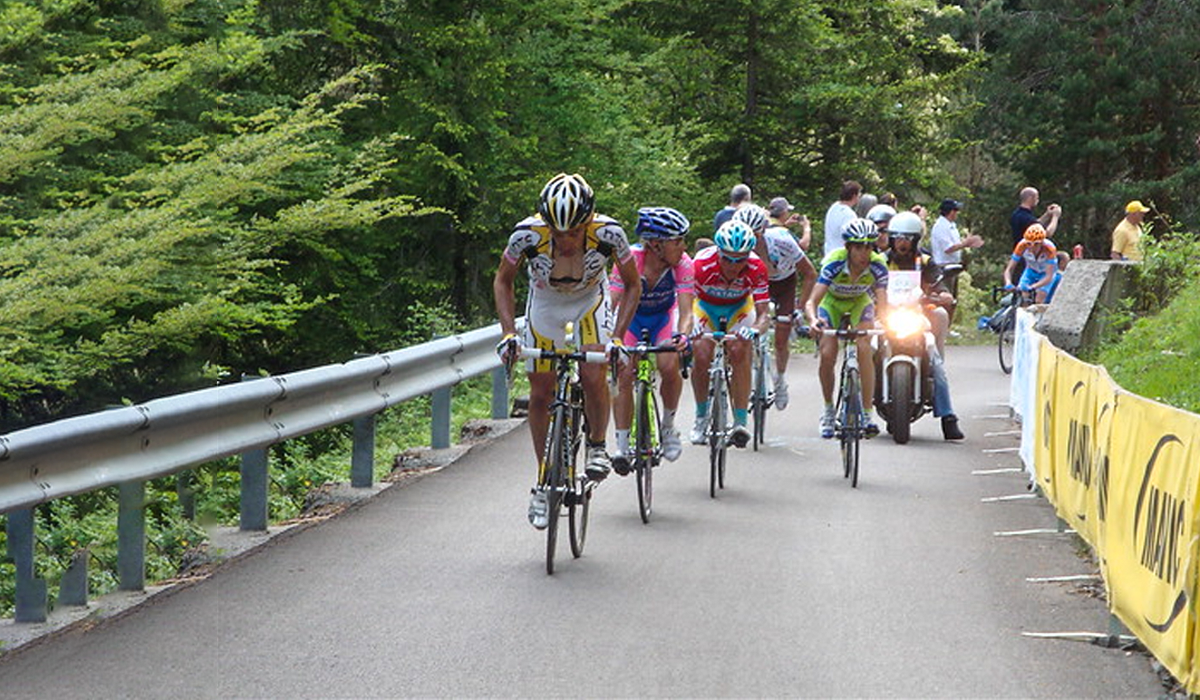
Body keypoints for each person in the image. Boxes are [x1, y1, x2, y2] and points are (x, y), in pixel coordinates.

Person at [493, 173, 641, 529]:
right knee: (540, 391)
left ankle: (597, 445)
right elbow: (502, 280)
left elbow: (633, 284)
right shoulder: (526, 235)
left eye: (574, 232)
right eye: (558, 233)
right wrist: (509, 333)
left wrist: (619, 337)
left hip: (590, 300)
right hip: (544, 302)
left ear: (589, 221)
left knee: (593, 371)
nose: (567, 240)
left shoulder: (610, 233)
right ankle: (543, 481)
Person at [609, 207, 695, 474]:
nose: (683, 246)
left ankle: (668, 427)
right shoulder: (630, 260)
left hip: (662, 320)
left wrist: (682, 335)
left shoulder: (684, 265)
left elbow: (686, 311)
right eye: (677, 241)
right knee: (623, 375)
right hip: (631, 320)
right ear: (656, 245)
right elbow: (611, 304)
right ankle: (622, 446)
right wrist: (610, 340)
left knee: (669, 366)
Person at [688, 220, 771, 449]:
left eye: (740, 259)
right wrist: (687, 327)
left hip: (739, 308)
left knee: (739, 350)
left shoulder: (757, 267)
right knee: (701, 352)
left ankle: (740, 422)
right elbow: (685, 304)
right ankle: (701, 417)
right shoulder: (700, 264)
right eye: (727, 258)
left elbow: (764, 314)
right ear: (718, 252)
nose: (733, 265)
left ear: (748, 256)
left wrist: (754, 330)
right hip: (705, 307)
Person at [882, 211, 964, 440]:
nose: (902, 243)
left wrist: (942, 295)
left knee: (933, 357)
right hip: (886, 315)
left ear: (915, 239)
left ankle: (948, 417)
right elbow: (869, 283)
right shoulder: (880, 259)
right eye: (897, 237)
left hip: (916, 315)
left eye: (907, 238)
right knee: (866, 349)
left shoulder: (925, 261)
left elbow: (940, 285)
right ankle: (858, 412)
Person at [806, 218, 889, 439]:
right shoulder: (835, 262)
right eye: (859, 247)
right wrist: (813, 321)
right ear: (848, 248)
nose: (865, 253)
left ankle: (867, 413)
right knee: (828, 353)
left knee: (864, 347)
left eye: (869, 247)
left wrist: (887, 323)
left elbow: (883, 302)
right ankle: (828, 409)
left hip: (859, 302)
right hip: (831, 303)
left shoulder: (878, 264)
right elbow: (811, 302)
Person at [732, 204, 817, 411]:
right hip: (755, 284)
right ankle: (751, 376)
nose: (750, 243)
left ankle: (779, 380)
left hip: (784, 283)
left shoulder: (783, 240)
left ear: (763, 231)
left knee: (781, 337)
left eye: (755, 237)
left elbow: (810, 274)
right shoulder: (736, 247)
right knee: (747, 330)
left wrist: (799, 306)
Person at [929, 199, 982, 300]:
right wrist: (965, 244)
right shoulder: (941, 226)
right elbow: (948, 248)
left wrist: (966, 242)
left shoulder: (951, 226)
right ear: (951, 212)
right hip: (943, 267)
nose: (957, 213)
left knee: (953, 298)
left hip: (952, 267)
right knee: (946, 297)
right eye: (956, 211)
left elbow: (955, 244)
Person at [1003, 223, 1061, 303]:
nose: (1032, 247)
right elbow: (1009, 269)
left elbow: (1049, 276)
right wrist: (1008, 283)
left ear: (1042, 243)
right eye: (1029, 243)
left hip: (1045, 274)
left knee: (1039, 299)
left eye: (1036, 244)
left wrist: (1033, 287)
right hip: (1030, 271)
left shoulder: (1050, 249)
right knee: (1023, 299)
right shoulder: (1021, 246)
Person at [823, 180, 862, 259]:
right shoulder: (849, 215)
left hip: (828, 255)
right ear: (854, 196)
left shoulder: (833, 207)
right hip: (840, 259)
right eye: (859, 194)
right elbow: (852, 239)